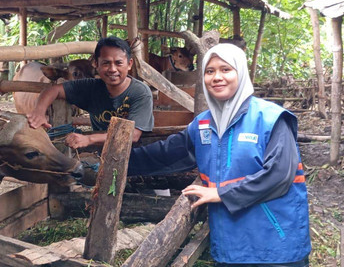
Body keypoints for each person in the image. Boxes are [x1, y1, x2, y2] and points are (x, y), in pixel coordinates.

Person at [127, 43, 311, 266]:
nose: (216, 77)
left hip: (274, 243)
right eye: (210, 71)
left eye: (226, 69)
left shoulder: (270, 119)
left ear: (241, 73)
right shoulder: (204, 123)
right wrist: (117, 165)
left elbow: (279, 175)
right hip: (229, 243)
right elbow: (167, 154)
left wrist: (221, 193)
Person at [27, 36, 154, 149]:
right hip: (103, 152)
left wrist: (88, 139)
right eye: (106, 63)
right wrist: (39, 111)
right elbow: (53, 90)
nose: (112, 69)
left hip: (135, 153)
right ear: (96, 64)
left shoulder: (140, 92)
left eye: (118, 63)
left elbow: (133, 135)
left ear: (129, 64)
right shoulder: (91, 87)